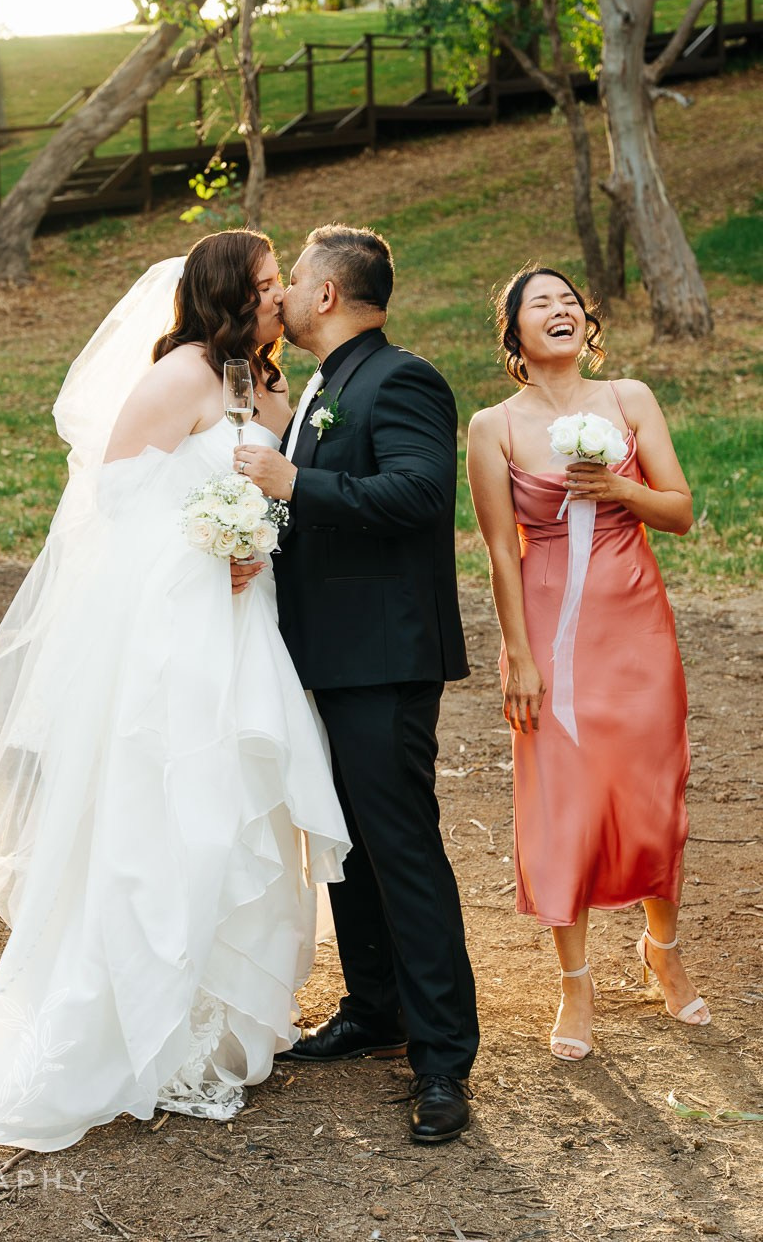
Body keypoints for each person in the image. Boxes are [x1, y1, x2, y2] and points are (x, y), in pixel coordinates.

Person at [0, 232, 349, 1152]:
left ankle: (221, 1025)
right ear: (226, 294)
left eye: (278, 284)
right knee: (178, 810)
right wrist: (214, 545)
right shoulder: (180, 375)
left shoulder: (270, 385)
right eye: (264, 285)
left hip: (250, 623)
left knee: (247, 806)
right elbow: (118, 496)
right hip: (183, 627)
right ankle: (142, 1029)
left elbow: (279, 488)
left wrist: (258, 542)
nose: (278, 298)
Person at [234, 224, 478, 1145]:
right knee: (351, 846)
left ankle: (443, 1058)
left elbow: (419, 495)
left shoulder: (402, 379)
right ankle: (376, 1008)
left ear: (329, 294)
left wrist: (293, 480)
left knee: (402, 849)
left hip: (383, 659)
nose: (283, 295)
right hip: (326, 656)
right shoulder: (324, 388)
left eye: (293, 280)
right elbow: (317, 516)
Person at [465, 265, 709, 1063]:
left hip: (636, 629)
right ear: (515, 331)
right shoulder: (493, 427)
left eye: (569, 300)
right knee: (562, 802)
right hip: (547, 634)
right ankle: (575, 981)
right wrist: (518, 654)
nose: (561, 309)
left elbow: (679, 511)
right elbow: (501, 551)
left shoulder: (629, 399)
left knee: (652, 794)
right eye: (541, 303)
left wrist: (618, 489)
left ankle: (662, 949)